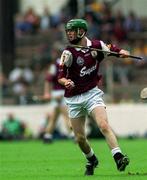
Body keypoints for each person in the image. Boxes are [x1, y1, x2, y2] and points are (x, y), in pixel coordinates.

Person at [58, 19, 130, 176]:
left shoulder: (96, 45)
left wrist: (121, 52)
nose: (69, 33)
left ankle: (118, 157)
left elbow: (110, 49)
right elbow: (60, 76)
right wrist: (66, 82)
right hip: (74, 99)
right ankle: (91, 159)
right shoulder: (68, 52)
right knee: (80, 139)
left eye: (72, 30)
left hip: (92, 93)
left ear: (81, 31)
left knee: (103, 125)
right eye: (68, 31)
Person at [42, 52, 74, 143]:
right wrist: (47, 93)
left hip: (64, 92)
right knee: (66, 114)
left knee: (54, 116)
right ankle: (72, 134)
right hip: (59, 93)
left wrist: (47, 93)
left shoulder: (66, 64)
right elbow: (48, 80)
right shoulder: (55, 65)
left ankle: (47, 135)